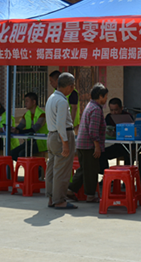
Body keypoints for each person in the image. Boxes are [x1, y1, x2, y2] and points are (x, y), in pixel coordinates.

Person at [68, 83, 108, 203]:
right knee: (91, 171)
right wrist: (97, 146)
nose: (106, 99)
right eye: (105, 96)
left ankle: (70, 190)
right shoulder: (96, 109)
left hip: (83, 144)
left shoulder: (90, 106)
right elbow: (93, 131)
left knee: (85, 169)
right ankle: (90, 195)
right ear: (100, 96)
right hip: (89, 145)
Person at [45, 72, 77, 210]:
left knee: (52, 169)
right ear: (70, 86)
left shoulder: (51, 98)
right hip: (61, 136)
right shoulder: (62, 101)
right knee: (62, 170)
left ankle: (51, 198)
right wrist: (65, 143)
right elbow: (61, 125)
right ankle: (59, 200)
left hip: (51, 136)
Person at [9, 92, 48, 160]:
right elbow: (20, 127)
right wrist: (13, 129)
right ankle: (23, 166)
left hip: (41, 143)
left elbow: (34, 129)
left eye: (27, 101)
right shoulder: (26, 114)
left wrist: (19, 131)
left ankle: (31, 166)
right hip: (30, 141)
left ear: (34, 102)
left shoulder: (42, 114)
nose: (25, 103)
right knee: (12, 153)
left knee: (22, 154)